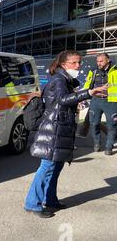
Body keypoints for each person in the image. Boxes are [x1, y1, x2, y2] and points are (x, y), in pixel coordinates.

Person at [24, 51, 108, 218]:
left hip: (60, 129)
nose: (78, 66)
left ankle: (51, 199)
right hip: (53, 130)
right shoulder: (58, 80)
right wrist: (89, 93)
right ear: (64, 64)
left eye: (79, 63)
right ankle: (32, 203)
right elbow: (62, 100)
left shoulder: (65, 80)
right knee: (47, 167)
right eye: (75, 63)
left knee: (56, 167)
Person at [83, 53, 117, 155]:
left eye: (101, 61)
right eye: (97, 61)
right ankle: (97, 143)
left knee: (112, 125)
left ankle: (109, 147)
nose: (99, 63)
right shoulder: (93, 71)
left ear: (108, 60)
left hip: (111, 102)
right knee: (94, 124)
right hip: (96, 101)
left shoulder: (115, 70)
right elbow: (87, 86)